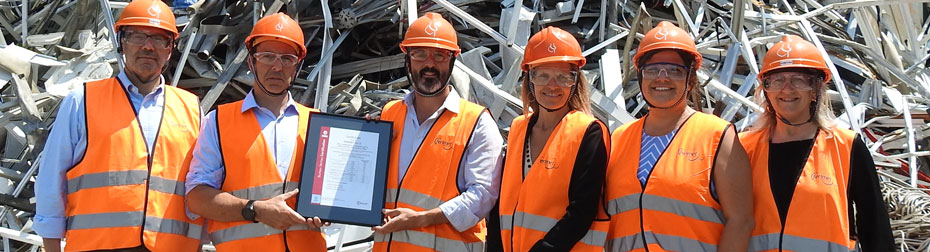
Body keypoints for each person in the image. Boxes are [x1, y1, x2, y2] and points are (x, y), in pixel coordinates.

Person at [34, 0, 203, 251]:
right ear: (122, 41)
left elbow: (202, 187)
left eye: (159, 39)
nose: (148, 46)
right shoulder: (82, 101)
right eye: (137, 36)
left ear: (170, 49)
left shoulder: (192, 109)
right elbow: (51, 182)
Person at [603, 21, 754, 251]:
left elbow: (741, 222)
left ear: (691, 79)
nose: (661, 78)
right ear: (641, 76)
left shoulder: (718, 137)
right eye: (652, 70)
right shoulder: (618, 139)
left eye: (674, 70)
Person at [184, 13, 326, 251]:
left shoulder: (319, 124)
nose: (277, 66)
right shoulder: (218, 122)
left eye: (287, 58)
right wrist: (255, 209)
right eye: (267, 56)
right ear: (251, 62)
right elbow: (196, 197)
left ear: (298, 66)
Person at [740, 35, 895, 252]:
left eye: (798, 79)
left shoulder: (847, 146)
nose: (786, 89)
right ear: (766, 89)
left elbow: (875, 228)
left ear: (815, 89)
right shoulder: (743, 148)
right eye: (777, 80)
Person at [370, 12, 504, 251]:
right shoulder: (389, 115)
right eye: (419, 54)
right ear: (407, 58)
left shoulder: (477, 123)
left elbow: (483, 197)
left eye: (439, 55)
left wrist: (424, 218)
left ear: (452, 59)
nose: (429, 64)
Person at [496, 26, 610, 252]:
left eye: (563, 77)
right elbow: (501, 204)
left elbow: (582, 212)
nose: (552, 85)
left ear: (575, 81)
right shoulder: (518, 128)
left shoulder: (589, 132)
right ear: (530, 79)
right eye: (543, 75)